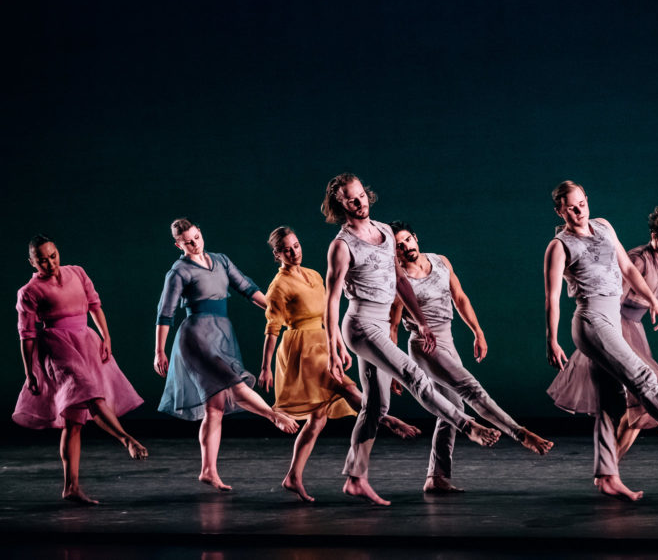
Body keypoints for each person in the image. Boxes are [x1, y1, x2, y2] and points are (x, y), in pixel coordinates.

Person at [544, 181, 658, 501]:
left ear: (588, 201)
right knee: (644, 377)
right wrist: (552, 340)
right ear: (560, 210)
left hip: (613, 322)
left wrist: (653, 301)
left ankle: (607, 476)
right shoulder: (559, 246)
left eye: (581, 204)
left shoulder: (603, 226)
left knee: (608, 403)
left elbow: (627, 269)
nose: (578, 211)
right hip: (591, 320)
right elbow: (552, 297)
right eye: (570, 207)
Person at [322, 174, 501, 506]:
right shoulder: (342, 245)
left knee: (376, 406)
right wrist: (333, 348)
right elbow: (331, 300)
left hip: (378, 321)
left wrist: (421, 322)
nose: (360, 202)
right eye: (352, 199)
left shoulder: (386, 233)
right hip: (360, 324)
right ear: (340, 204)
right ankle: (466, 425)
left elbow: (400, 282)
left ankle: (355, 477)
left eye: (362, 195)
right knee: (414, 374)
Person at [388, 221, 553, 493]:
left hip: (447, 339)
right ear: (394, 252)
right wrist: (395, 370)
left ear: (416, 238)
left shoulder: (440, 261)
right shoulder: (400, 282)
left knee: (452, 410)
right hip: (424, 346)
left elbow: (460, 297)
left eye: (407, 239)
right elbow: (392, 327)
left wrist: (478, 331)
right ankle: (520, 433)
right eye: (399, 245)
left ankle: (436, 477)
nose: (406, 246)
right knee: (470, 389)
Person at [259, 226, 420, 502]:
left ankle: (293, 476)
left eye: (296, 245)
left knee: (318, 420)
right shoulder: (278, 286)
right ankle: (388, 420)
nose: (294, 252)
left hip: (322, 341)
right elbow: (272, 328)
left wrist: (337, 346)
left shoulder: (313, 275)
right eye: (287, 249)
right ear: (277, 254)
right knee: (345, 388)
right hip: (302, 350)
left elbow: (327, 316)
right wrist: (265, 367)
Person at [154, 218, 299, 492]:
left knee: (215, 408)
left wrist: (277, 312)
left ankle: (208, 470)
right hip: (195, 337)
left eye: (197, 237)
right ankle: (274, 415)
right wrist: (159, 350)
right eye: (188, 242)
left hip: (221, 334)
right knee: (234, 383)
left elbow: (247, 288)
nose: (195, 244)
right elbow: (165, 313)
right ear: (178, 245)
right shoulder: (179, 271)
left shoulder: (220, 260)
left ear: (200, 232)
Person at [13, 235, 147, 504]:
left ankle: (71, 487)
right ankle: (127, 439)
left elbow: (95, 305)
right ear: (32, 262)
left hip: (86, 342)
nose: (50, 262)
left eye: (53, 255)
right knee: (90, 394)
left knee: (74, 423)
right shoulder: (29, 291)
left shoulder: (77, 272)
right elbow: (26, 335)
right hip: (56, 347)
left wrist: (106, 337)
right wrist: (30, 372)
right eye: (42, 259)